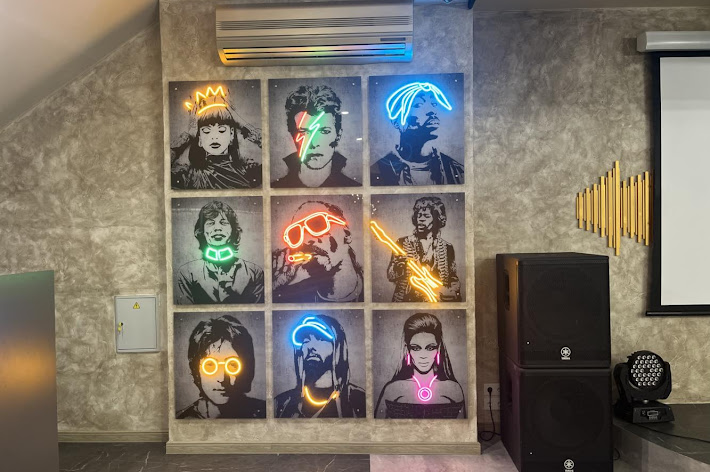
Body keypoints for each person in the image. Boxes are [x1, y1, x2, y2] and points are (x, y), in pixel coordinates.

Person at [370, 82, 463, 186]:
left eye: (434, 104)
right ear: (396, 122)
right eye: (418, 105)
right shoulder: (378, 171)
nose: (432, 111)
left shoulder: (457, 171)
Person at [375, 313, 465, 419]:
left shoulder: (453, 389)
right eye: (416, 348)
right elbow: (376, 426)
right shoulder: (392, 389)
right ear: (407, 350)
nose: (423, 356)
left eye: (430, 348)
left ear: (438, 348)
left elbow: (464, 427)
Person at [171, 85, 262, 189]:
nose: (214, 137)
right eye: (206, 131)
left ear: (231, 135)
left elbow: (271, 153)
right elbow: (162, 174)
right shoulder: (189, 175)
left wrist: (240, 122)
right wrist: (189, 136)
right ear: (200, 139)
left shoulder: (247, 170)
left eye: (221, 130)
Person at [275, 314, 365, 418]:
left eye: (321, 338)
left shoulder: (358, 400)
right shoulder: (282, 403)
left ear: (337, 347)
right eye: (306, 341)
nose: (311, 346)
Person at [272, 201, 364, 303]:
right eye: (295, 234)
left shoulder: (373, 287)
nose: (305, 240)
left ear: (347, 235)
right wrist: (275, 287)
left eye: (317, 224)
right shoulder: (291, 297)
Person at [177, 315, 266, 419]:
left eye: (232, 365)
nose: (222, 378)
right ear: (196, 371)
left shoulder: (265, 413)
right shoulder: (181, 419)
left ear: (246, 369)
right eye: (210, 365)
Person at [176, 201, 264, 304]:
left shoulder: (254, 272)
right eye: (210, 223)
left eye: (224, 223)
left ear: (233, 230)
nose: (217, 228)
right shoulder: (187, 273)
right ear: (202, 231)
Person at [271, 85, 359, 188]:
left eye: (324, 131)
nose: (313, 143)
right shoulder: (275, 188)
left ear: (338, 135)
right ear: (292, 135)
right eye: (303, 132)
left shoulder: (354, 188)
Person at [387, 197, 461, 302]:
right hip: (406, 301)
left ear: (436, 219)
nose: (421, 219)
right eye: (419, 215)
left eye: (426, 216)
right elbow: (390, 275)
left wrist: (453, 291)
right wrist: (399, 267)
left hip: (436, 302)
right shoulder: (402, 243)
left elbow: (453, 278)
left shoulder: (447, 247)